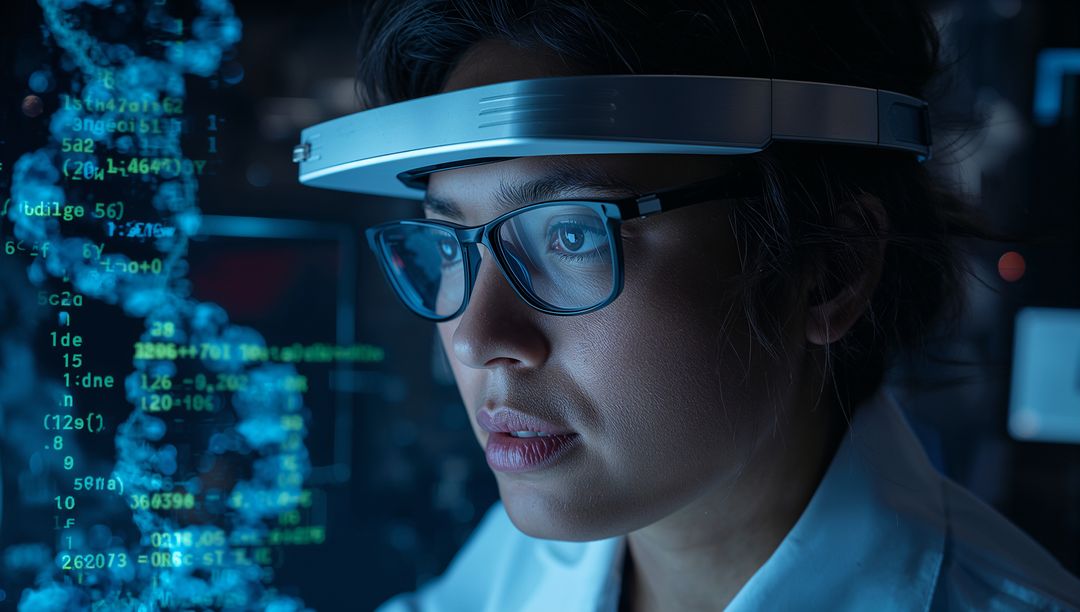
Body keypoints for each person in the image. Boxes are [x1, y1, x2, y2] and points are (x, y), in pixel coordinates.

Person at [350, 1, 1080, 610]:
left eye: (572, 234)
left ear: (830, 270)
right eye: (451, 246)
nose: (476, 339)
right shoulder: (519, 566)